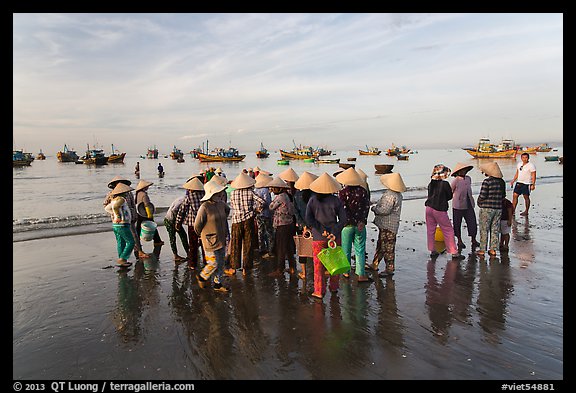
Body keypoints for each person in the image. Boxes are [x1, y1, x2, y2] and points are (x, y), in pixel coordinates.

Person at [305, 173, 347, 299]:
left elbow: (309, 218)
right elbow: (343, 219)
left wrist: (320, 229)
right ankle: (334, 287)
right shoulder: (336, 200)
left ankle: (319, 291)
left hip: (318, 238)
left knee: (318, 266)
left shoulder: (312, 200)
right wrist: (334, 232)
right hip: (334, 237)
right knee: (335, 264)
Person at [194, 177, 231, 292]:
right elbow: (197, 225)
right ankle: (202, 277)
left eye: (220, 193)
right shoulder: (204, 207)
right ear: (211, 194)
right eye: (218, 193)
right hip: (209, 239)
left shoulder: (221, 204)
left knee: (220, 263)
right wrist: (202, 235)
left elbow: (227, 211)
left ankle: (217, 283)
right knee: (213, 262)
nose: (220, 195)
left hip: (221, 237)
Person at [335, 168, 371, 283]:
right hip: (359, 224)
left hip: (346, 226)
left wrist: (344, 222)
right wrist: (362, 221)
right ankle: (361, 275)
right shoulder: (363, 191)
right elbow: (366, 207)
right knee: (360, 249)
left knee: (346, 249)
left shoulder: (342, 192)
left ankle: (346, 271)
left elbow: (342, 209)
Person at [369, 172, 407, 277]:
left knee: (388, 248)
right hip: (390, 225)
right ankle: (375, 263)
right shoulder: (398, 195)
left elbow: (385, 210)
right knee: (382, 245)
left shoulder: (390, 195)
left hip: (387, 226)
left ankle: (389, 269)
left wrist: (374, 208)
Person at [424, 164, 465, 260]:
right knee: (448, 230)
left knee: (430, 230)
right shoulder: (445, 184)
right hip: (439, 209)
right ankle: (454, 252)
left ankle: (432, 250)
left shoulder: (431, 184)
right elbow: (449, 196)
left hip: (429, 208)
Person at [228, 171, 265, 275]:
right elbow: (262, 202)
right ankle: (245, 269)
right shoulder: (250, 192)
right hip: (248, 220)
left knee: (235, 244)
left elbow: (232, 205)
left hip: (236, 221)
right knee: (248, 244)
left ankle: (233, 268)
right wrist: (256, 210)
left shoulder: (232, 193)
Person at [103, 175, 147, 260]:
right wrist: (116, 214)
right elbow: (106, 206)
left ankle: (136, 252)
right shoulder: (111, 195)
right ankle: (124, 257)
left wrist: (134, 215)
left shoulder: (128, 193)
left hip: (128, 218)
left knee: (131, 236)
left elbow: (132, 205)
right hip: (120, 220)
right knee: (129, 239)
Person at [174, 177, 206, 270]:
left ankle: (193, 264)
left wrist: (178, 223)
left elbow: (182, 211)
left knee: (193, 244)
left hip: (192, 224)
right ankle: (206, 261)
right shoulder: (205, 195)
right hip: (203, 223)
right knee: (204, 244)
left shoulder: (189, 197)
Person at [268, 176, 297, 276]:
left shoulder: (280, 197)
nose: (272, 190)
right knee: (289, 247)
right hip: (289, 224)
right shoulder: (287, 195)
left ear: (280, 188)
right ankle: (292, 267)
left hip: (282, 225)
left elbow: (271, 207)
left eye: (274, 188)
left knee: (280, 248)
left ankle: (280, 269)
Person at [477, 161, 506, 257]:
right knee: (495, 229)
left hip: (487, 208)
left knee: (484, 229)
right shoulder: (501, 182)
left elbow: (482, 195)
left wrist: (479, 202)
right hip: (498, 208)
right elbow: (503, 196)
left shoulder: (487, 182)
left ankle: (482, 250)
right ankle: (493, 249)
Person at [293, 171, 318, 280]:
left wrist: (303, 226)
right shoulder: (316, 196)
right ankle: (318, 271)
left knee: (302, 249)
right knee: (316, 249)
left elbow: (296, 212)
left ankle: (304, 273)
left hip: (302, 227)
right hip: (315, 226)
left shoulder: (297, 195)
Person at [105, 182, 136, 267]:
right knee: (131, 242)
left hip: (116, 224)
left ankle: (122, 259)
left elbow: (107, 208)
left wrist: (114, 215)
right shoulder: (121, 199)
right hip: (122, 224)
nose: (127, 194)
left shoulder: (114, 199)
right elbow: (114, 207)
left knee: (121, 242)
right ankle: (122, 258)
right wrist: (118, 215)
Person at [450, 163, 480, 250]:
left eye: (464, 170)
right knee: (457, 223)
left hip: (469, 203)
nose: (463, 172)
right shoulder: (456, 180)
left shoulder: (468, 178)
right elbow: (451, 190)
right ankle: (459, 240)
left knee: (472, 222)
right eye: (462, 170)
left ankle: (473, 239)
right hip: (458, 205)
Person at [135, 180, 164, 247]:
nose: (148, 187)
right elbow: (146, 205)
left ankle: (136, 242)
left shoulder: (138, 193)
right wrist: (149, 215)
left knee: (138, 228)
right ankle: (157, 241)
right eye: (147, 186)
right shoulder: (144, 195)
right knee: (153, 226)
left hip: (139, 212)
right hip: (145, 214)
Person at [253, 173, 274, 258]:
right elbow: (267, 202)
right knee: (269, 232)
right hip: (266, 214)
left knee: (260, 231)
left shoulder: (255, 190)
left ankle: (262, 248)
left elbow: (254, 203)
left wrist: (257, 209)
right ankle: (270, 250)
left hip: (258, 214)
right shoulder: (265, 190)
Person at [164, 194, 189, 263]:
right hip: (170, 220)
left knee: (183, 236)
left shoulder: (184, 199)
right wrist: (177, 222)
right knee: (173, 238)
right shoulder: (182, 200)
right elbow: (174, 210)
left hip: (176, 220)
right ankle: (176, 255)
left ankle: (188, 253)